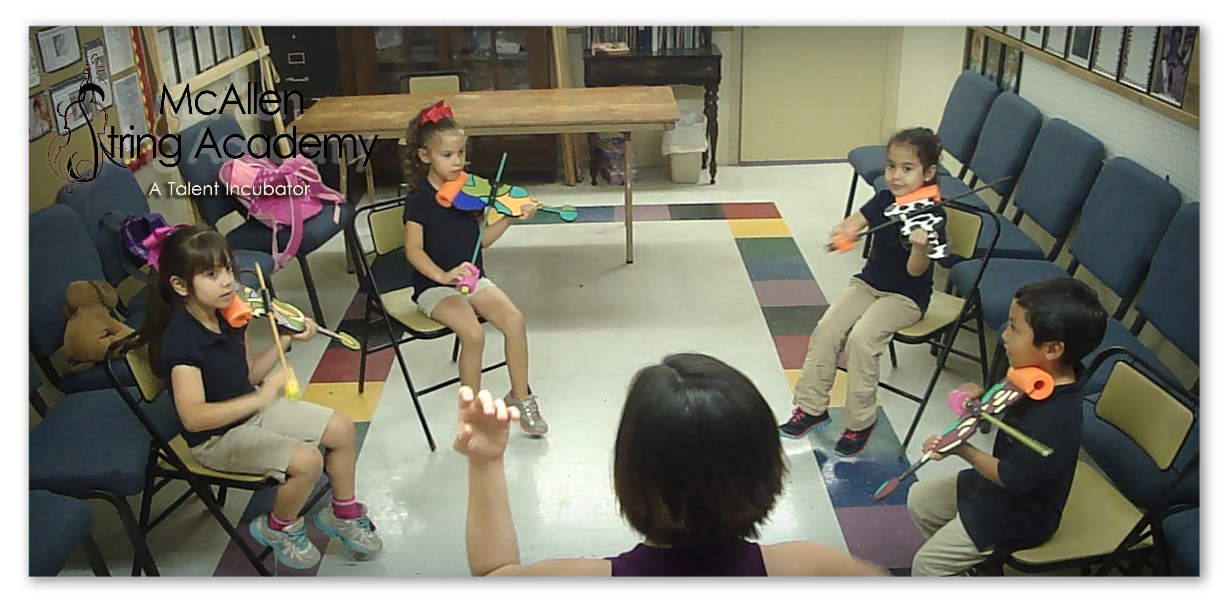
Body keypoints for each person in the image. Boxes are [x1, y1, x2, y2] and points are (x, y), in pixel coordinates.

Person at [453, 352, 887, 576]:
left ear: (631, 475)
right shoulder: (812, 568)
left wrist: (486, 462)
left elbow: (495, 574)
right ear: (767, 469)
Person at [132, 225, 382, 570]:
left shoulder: (229, 316)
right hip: (215, 439)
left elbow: (247, 375)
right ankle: (278, 528)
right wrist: (262, 398)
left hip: (250, 412)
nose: (227, 281)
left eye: (228, 269)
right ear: (180, 285)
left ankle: (342, 512)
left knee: (341, 427)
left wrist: (286, 338)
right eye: (211, 274)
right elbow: (193, 418)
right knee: (307, 461)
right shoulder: (181, 341)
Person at [906, 277, 1107, 576]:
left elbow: (1013, 479)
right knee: (921, 501)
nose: (1003, 335)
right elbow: (1000, 397)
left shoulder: (1056, 418)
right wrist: (979, 399)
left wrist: (962, 449)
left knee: (926, 566)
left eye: (1014, 328)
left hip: (1018, 514)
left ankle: (977, 561)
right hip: (993, 489)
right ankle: (975, 563)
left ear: (1052, 349)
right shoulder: (1038, 374)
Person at [779, 127, 949, 455]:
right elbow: (854, 221)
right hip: (868, 284)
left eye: (907, 169)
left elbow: (916, 272)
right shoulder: (885, 198)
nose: (896, 176)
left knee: (862, 340)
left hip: (905, 298)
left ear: (928, 173)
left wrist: (920, 248)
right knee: (827, 331)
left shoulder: (932, 216)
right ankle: (811, 408)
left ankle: (860, 422)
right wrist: (845, 232)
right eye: (891, 166)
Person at [401, 100, 547, 437]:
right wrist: (442, 276)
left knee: (514, 321)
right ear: (425, 156)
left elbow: (481, 242)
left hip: (472, 280)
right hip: (434, 288)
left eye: (461, 153)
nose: (457, 162)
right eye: (447, 155)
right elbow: (413, 250)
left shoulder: (470, 194)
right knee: (473, 333)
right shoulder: (419, 199)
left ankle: (520, 396)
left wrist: (509, 216)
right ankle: (471, 413)